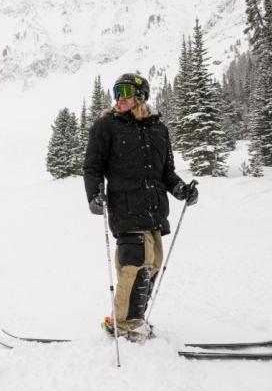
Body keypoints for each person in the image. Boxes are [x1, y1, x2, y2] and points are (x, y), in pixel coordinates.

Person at [83, 73, 198, 341]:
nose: (120, 98)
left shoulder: (159, 129)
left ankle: (135, 318)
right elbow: (92, 167)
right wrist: (93, 194)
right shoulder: (106, 126)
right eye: (116, 92)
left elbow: (166, 172)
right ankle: (125, 325)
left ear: (141, 95)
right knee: (133, 263)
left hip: (154, 209)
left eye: (125, 91)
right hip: (125, 206)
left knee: (153, 264)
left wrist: (181, 189)